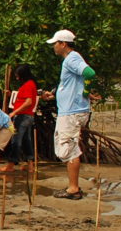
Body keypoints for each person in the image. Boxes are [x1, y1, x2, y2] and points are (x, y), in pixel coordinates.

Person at [40, 30, 95, 199]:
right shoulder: (71, 60)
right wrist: (54, 94)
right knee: (68, 147)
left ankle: (73, 189)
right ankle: (73, 187)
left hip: (71, 112)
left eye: (55, 43)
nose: (54, 47)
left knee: (67, 149)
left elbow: (89, 73)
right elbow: (70, 84)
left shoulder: (72, 58)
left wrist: (86, 92)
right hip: (70, 110)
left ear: (63, 44)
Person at [0, 64, 38, 173]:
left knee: (15, 141)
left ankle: (11, 165)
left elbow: (28, 102)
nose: (17, 78)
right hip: (28, 116)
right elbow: (23, 99)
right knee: (27, 141)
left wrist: (14, 112)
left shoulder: (28, 85)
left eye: (18, 76)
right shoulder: (29, 84)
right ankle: (30, 165)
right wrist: (10, 94)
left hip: (22, 116)